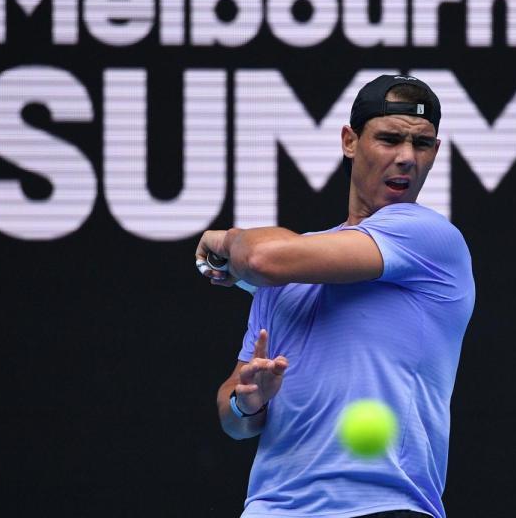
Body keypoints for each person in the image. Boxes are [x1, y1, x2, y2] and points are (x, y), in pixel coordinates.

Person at [195, 75, 476, 518]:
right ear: (350, 141)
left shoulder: (430, 238)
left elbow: (261, 258)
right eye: (389, 139)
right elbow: (233, 420)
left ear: (435, 152)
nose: (406, 158)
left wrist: (224, 238)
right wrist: (248, 400)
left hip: (383, 506)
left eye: (421, 145)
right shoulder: (294, 268)